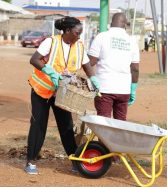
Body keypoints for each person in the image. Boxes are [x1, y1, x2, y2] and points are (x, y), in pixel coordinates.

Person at [25, 17, 100, 175]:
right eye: (76, 33)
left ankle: (74, 160)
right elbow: (34, 59)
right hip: (42, 90)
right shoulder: (51, 42)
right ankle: (31, 161)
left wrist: (93, 78)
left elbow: (86, 65)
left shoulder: (79, 46)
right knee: (39, 124)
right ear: (66, 31)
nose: (79, 36)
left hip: (62, 92)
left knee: (66, 125)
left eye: (80, 33)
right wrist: (50, 72)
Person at [88, 13, 139, 121]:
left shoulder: (102, 37)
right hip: (124, 90)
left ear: (111, 23)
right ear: (125, 24)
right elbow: (135, 69)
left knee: (103, 124)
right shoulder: (132, 41)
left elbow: (90, 62)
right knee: (120, 124)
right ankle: (118, 139)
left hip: (104, 88)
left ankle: (104, 139)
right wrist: (133, 89)